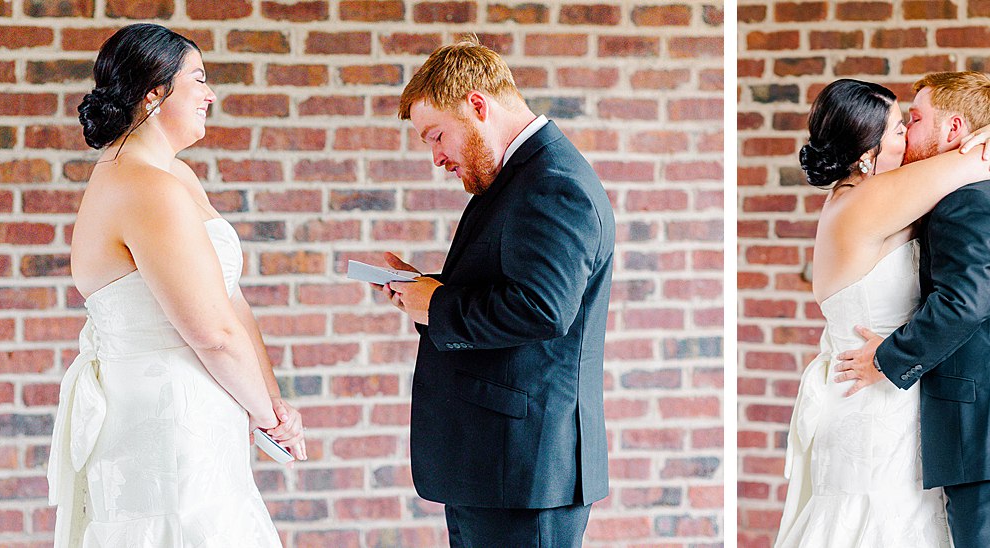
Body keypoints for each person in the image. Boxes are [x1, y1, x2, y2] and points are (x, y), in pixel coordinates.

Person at [46, 23, 305, 547]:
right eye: (198, 79)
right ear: (155, 93)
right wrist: (268, 419)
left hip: (206, 408)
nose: (211, 94)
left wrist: (272, 401)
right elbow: (212, 333)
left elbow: (230, 300)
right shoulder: (145, 188)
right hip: (167, 422)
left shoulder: (174, 177)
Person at [367, 37, 615, 547]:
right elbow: (512, 288)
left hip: (523, 473)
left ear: (477, 106)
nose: (437, 157)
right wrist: (425, 292)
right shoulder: (520, 177)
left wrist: (436, 306)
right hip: (498, 466)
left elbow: (543, 308)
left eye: (437, 135)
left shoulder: (551, 183)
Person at [774, 76, 990, 548]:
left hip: (889, 398)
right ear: (865, 153)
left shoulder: (872, 195)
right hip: (872, 400)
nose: (909, 135)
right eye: (900, 127)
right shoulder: (869, 200)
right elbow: (981, 160)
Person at [835, 72, 990, 547]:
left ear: (954, 130)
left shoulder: (968, 200)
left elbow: (963, 303)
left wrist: (887, 359)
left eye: (918, 119)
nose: (908, 133)